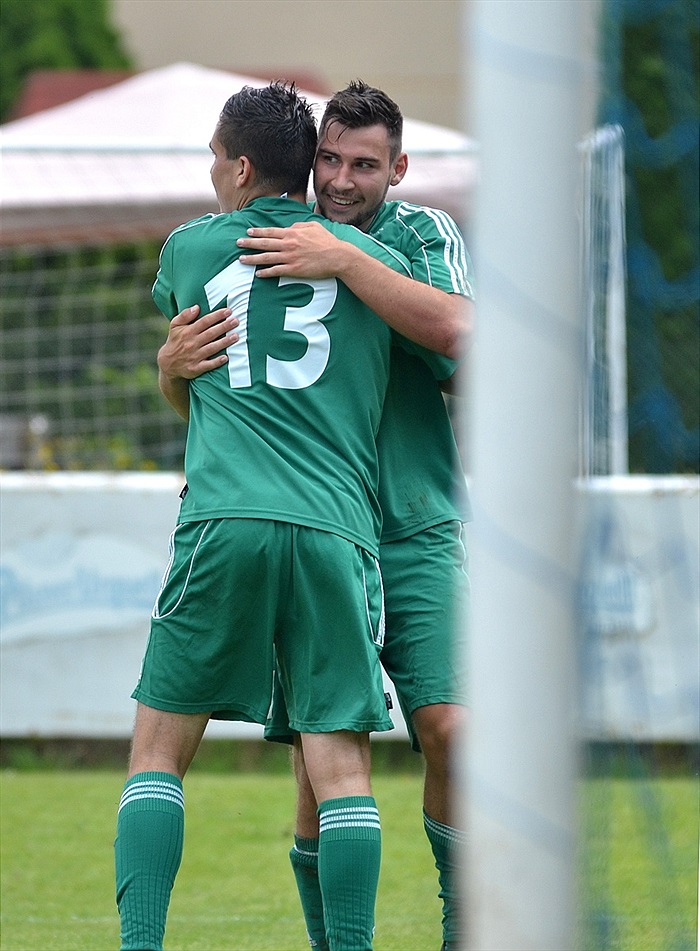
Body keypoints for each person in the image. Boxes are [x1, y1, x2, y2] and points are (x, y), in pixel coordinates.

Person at [114, 81, 456, 951]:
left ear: (236, 165)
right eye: (332, 160)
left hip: (244, 516)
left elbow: (220, 379)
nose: (344, 176)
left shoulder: (194, 250)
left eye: (364, 163)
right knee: (340, 766)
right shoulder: (363, 264)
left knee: (159, 748)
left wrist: (171, 370)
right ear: (308, 165)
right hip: (338, 525)